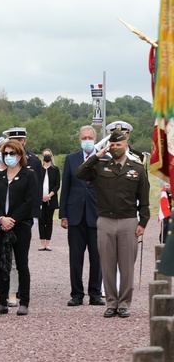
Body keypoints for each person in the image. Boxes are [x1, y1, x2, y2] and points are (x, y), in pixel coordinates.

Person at [76, 129, 151, 318]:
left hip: (128, 221)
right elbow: (80, 173)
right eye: (113, 145)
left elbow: (144, 200)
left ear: (126, 145)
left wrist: (143, 222)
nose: (116, 148)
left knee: (126, 266)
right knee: (107, 266)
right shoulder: (100, 166)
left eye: (119, 144)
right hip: (105, 221)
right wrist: (97, 154)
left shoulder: (137, 168)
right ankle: (111, 303)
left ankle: (124, 303)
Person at [0, 140, 40, 316]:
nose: (9, 157)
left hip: (21, 225)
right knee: (3, 264)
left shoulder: (28, 175)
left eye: (12, 153)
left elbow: (30, 200)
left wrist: (13, 220)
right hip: (1, 225)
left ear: (19, 155)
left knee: (21, 263)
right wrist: (2, 218)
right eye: (5, 153)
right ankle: (2, 301)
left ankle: (23, 301)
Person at [58, 126, 105, 307]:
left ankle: (95, 294)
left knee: (97, 257)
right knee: (75, 258)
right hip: (75, 215)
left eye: (89, 137)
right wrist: (63, 215)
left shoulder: (103, 159)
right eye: (83, 137)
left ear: (95, 139)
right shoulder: (71, 159)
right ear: (79, 139)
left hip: (97, 215)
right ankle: (77, 294)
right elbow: (66, 188)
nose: (87, 140)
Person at [38, 149, 60, 251]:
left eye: (48, 155)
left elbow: (57, 185)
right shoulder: (39, 169)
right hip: (40, 199)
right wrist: (41, 196)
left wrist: (49, 195)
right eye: (45, 155)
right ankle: (42, 243)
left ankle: (48, 243)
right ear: (42, 157)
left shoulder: (55, 169)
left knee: (49, 221)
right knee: (41, 221)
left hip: (51, 198)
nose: (47, 157)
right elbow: (36, 184)